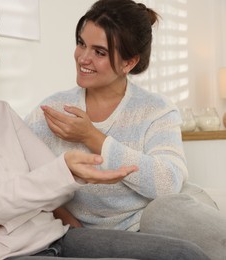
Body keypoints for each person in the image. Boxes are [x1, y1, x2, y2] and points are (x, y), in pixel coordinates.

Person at [0, 0, 210, 259]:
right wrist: (0, 214)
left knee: (186, 251)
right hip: (15, 250)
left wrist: (89, 141)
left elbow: (56, 185)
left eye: (99, 52)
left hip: (62, 235)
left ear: (129, 63)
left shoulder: (0, 112)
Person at [24, 0, 226, 259]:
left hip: (163, 220)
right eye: (81, 43)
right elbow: (21, 176)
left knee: (162, 212)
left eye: (99, 52)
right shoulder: (53, 111)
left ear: (129, 63)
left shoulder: (156, 109)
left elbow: (168, 183)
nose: (83, 57)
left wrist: (91, 136)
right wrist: (62, 216)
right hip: (102, 238)